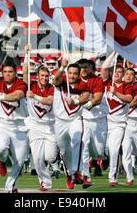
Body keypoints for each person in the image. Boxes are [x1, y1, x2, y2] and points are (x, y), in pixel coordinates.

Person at [0, 47, 29, 193]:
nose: (7, 74)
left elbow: (17, 95)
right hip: (2, 125)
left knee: (20, 161)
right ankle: (1, 160)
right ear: (2, 72)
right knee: (0, 148)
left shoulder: (21, 83)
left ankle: (10, 187)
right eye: (5, 72)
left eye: (10, 72)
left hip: (20, 126)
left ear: (15, 72)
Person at [22, 47, 57, 191]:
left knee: (50, 157)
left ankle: (55, 164)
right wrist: (26, 54)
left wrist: (34, 96)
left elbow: (50, 101)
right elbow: (24, 73)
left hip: (50, 127)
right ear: (37, 76)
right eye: (41, 76)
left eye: (46, 76)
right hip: (35, 126)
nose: (44, 78)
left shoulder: (52, 88)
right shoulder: (31, 85)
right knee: (36, 158)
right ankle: (45, 182)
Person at [52, 59, 90, 189]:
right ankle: (69, 173)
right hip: (59, 122)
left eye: (75, 73)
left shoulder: (83, 85)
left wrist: (75, 102)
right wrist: (62, 68)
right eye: (70, 73)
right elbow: (55, 80)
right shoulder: (61, 82)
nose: (72, 76)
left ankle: (77, 172)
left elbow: (85, 97)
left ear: (79, 75)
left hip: (75, 119)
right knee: (64, 150)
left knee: (77, 139)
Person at [77, 58, 106, 188]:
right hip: (83, 119)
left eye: (86, 67)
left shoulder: (97, 80)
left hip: (99, 118)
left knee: (99, 149)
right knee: (83, 147)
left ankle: (101, 158)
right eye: (81, 67)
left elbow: (98, 98)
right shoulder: (74, 79)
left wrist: (87, 104)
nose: (83, 69)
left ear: (91, 68)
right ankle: (86, 176)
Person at [105, 64, 134, 186]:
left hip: (119, 124)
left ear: (123, 75)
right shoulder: (105, 86)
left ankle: (112, 177)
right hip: (105, 123)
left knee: (115, 150)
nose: (117, 74)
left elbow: (129, 99)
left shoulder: (127, 86)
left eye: (120, 72)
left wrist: (115, 93)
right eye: (115, 71)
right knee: (104, 150)